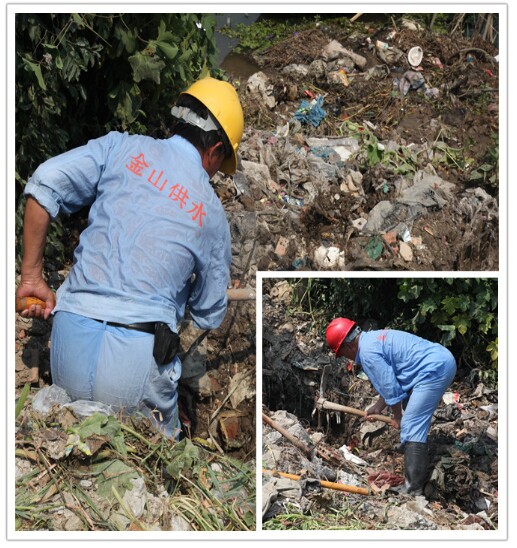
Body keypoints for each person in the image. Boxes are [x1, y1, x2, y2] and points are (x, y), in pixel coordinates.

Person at [16, 76, 244, 440]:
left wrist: (31, 277)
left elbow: (44, 183)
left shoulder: (120, 147)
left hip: (69, 344)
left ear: (178, 120)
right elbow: (208, 314)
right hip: (136, 364)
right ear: (216, 150)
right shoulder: (212, 214)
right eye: (221, 162)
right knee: (161, 453)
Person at [326, 317, 457, 495]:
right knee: (410, 411)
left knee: (411, 424)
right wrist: (378, 406)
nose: (345, 357)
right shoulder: (371, 340)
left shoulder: (368, 354)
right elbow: (390, 379)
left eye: (341, 354)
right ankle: (412, 448)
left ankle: (413, 488)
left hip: (434, 370)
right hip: (438, 360)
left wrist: (398, 417)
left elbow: (390, 388)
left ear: (347, 346)